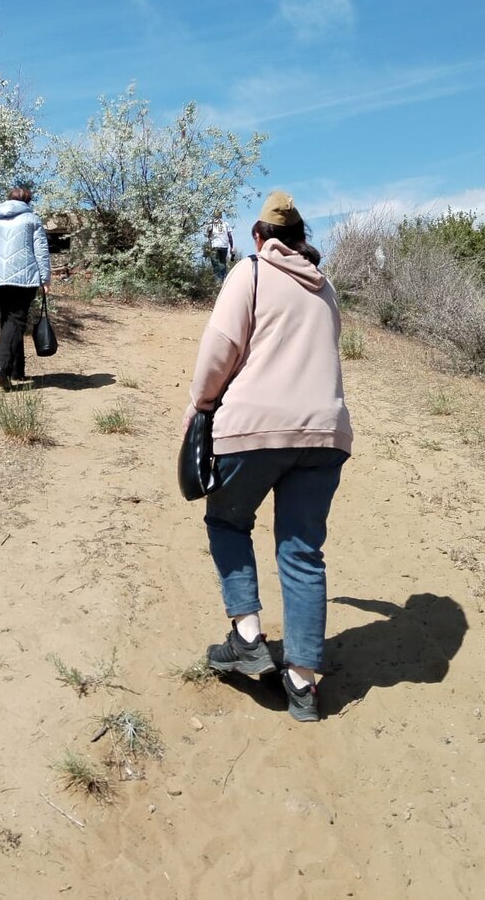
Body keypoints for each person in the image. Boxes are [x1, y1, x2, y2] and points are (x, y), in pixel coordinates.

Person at [183, 190, 352, 721]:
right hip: (325, 435)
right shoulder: (327, 290)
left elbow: (219, 350)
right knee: (302, 552)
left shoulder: (250, 272)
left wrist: (201, 404)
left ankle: (247, 636)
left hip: (254, 430)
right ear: (302, 240)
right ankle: (302, 686)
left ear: (258, 237)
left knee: (228, 521)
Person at [0, 186, 51, 388]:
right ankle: (1, 366)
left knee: (10, 322)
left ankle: (16, 372)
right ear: (27, 201)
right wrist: (45, 279)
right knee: (16, 321)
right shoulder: (32, 220)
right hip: (23, 278)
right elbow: (41, 251)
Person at [206, 213, 235, 281]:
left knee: (216, 265)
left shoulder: (211, 224)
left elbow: (208, 235)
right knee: (223, 264)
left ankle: (218, 283)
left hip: (215, 246)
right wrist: (231, 247)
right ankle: (224, 280)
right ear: (221, 215)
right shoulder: (226, 224)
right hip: (224, 246)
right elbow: (230, 236)